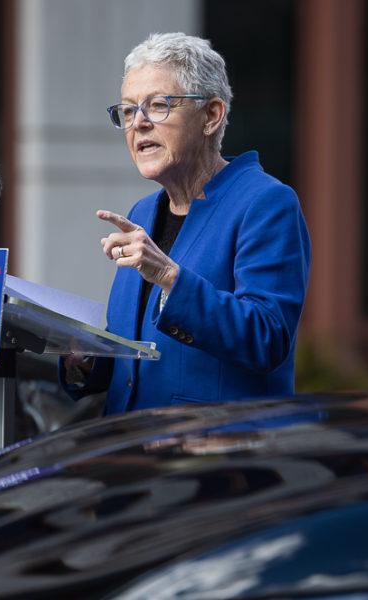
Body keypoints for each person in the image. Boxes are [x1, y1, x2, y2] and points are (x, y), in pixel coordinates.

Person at [60, 32, 311, 414]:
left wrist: (169, 278)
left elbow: (267, 337)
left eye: (157, 105)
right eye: (128, 111)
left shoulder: (266, 203)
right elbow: (138, 356)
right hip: (131, 453)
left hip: (214, 458)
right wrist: (85, 357)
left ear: (211, 115)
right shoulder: (143, 212)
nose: (138, 124)